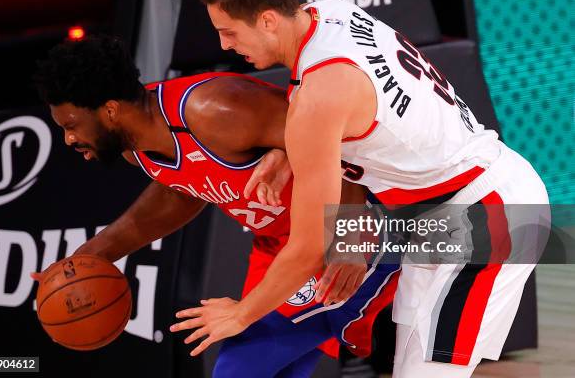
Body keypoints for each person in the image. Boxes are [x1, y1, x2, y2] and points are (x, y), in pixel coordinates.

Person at [174, 0, 550, 377]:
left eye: (229, 32)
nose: (224, 45)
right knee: (410, 364)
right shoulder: (328, 12)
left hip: (486, 215)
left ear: (267, 20)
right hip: (441, 213)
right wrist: (289, 151)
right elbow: (353, 115)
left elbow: (308, 246)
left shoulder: (318, 99)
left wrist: (241, 314)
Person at [32, 35, 400, 377]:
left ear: (110, 111)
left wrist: (349, 239)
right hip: (283, 246)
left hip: (355, 225)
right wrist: (93, 255)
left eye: (72, 124)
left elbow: (339, 141)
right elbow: (180, 191)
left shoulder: (218, 108)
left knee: (239, 366)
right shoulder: (135, 149)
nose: (69, 138)